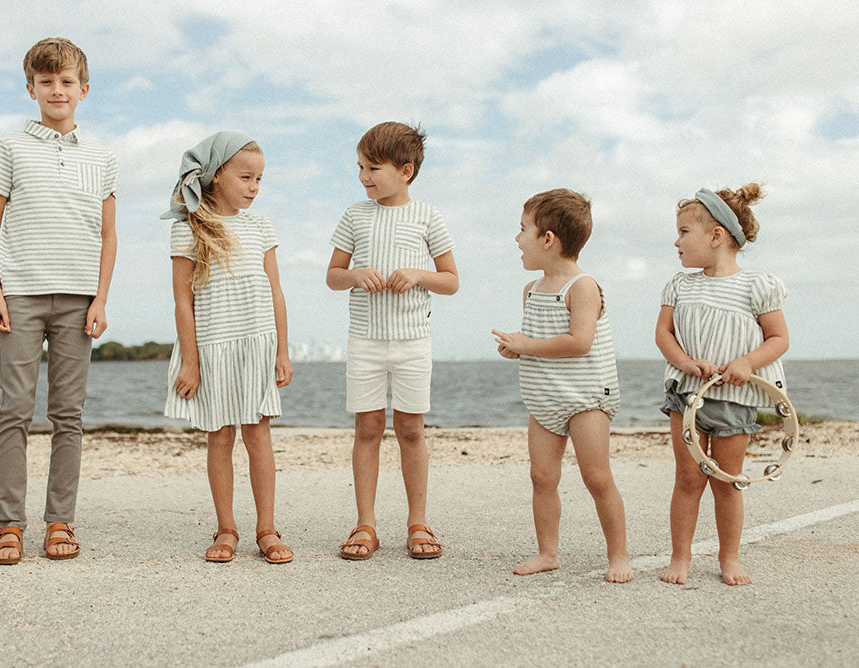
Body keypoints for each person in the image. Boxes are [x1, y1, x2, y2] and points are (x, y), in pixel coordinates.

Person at [0, 37, 117, 564]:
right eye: (45, 82)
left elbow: (108, 234)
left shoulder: (103, 158)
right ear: (30, 88)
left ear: (83, 89)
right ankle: (8, 526)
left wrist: (101, 298)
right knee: (14, 409)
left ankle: (60, 522)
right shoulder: (10, 147)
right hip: (20, 294)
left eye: (66, 82)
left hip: (80, 299)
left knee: (68, 415)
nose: (56, 90)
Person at [327, 121, 458, 560]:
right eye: (360, 167)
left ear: (406, 171)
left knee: (411, 431)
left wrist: (420, 274)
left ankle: (417, 522)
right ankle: (366, 524)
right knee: (366, 429)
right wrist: (354, 276)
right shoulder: (354, 215)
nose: (364, 176)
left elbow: (451, 280)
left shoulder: (427, 216)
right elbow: (332, 276)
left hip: (412, 341)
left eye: (374, 168)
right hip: (364, 340)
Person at [162, 132, 294, 564]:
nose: (254, 187)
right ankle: (226, 528)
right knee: (220, 438)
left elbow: (276, 292)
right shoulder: (189, 230)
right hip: (213, 346)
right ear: (216, 177)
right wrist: (191, 362)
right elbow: (184, 300)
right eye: (245, 177)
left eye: (259, 178)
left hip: (257, 346)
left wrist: (282, 351)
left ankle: (267, 529)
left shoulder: (261, 226)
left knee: (258, 435)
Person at [492, 189, 632, 582]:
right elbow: (541, 341)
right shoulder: (531, 291)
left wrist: (528, 344)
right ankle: (548, 552)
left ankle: (618, 555)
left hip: (586, 398)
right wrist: (518, 348)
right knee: (542, 477)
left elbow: (579, 341)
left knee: (597, 477)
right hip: (545, 398)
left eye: (523, 230)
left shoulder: (583, 287)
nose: (517, 239)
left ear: (547, 239)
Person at [656, 184, 789, 586]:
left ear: (716, 236)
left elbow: (779, 339)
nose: (676, 241)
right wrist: (683, 361)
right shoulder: (681, 285)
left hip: (735, 400)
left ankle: (729, 558)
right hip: (687, 397)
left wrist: (747, 362)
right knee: (688, 479)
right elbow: (664, 334)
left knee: (727, 484)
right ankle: (680, 557)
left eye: (684, 232)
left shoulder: (757, 286)